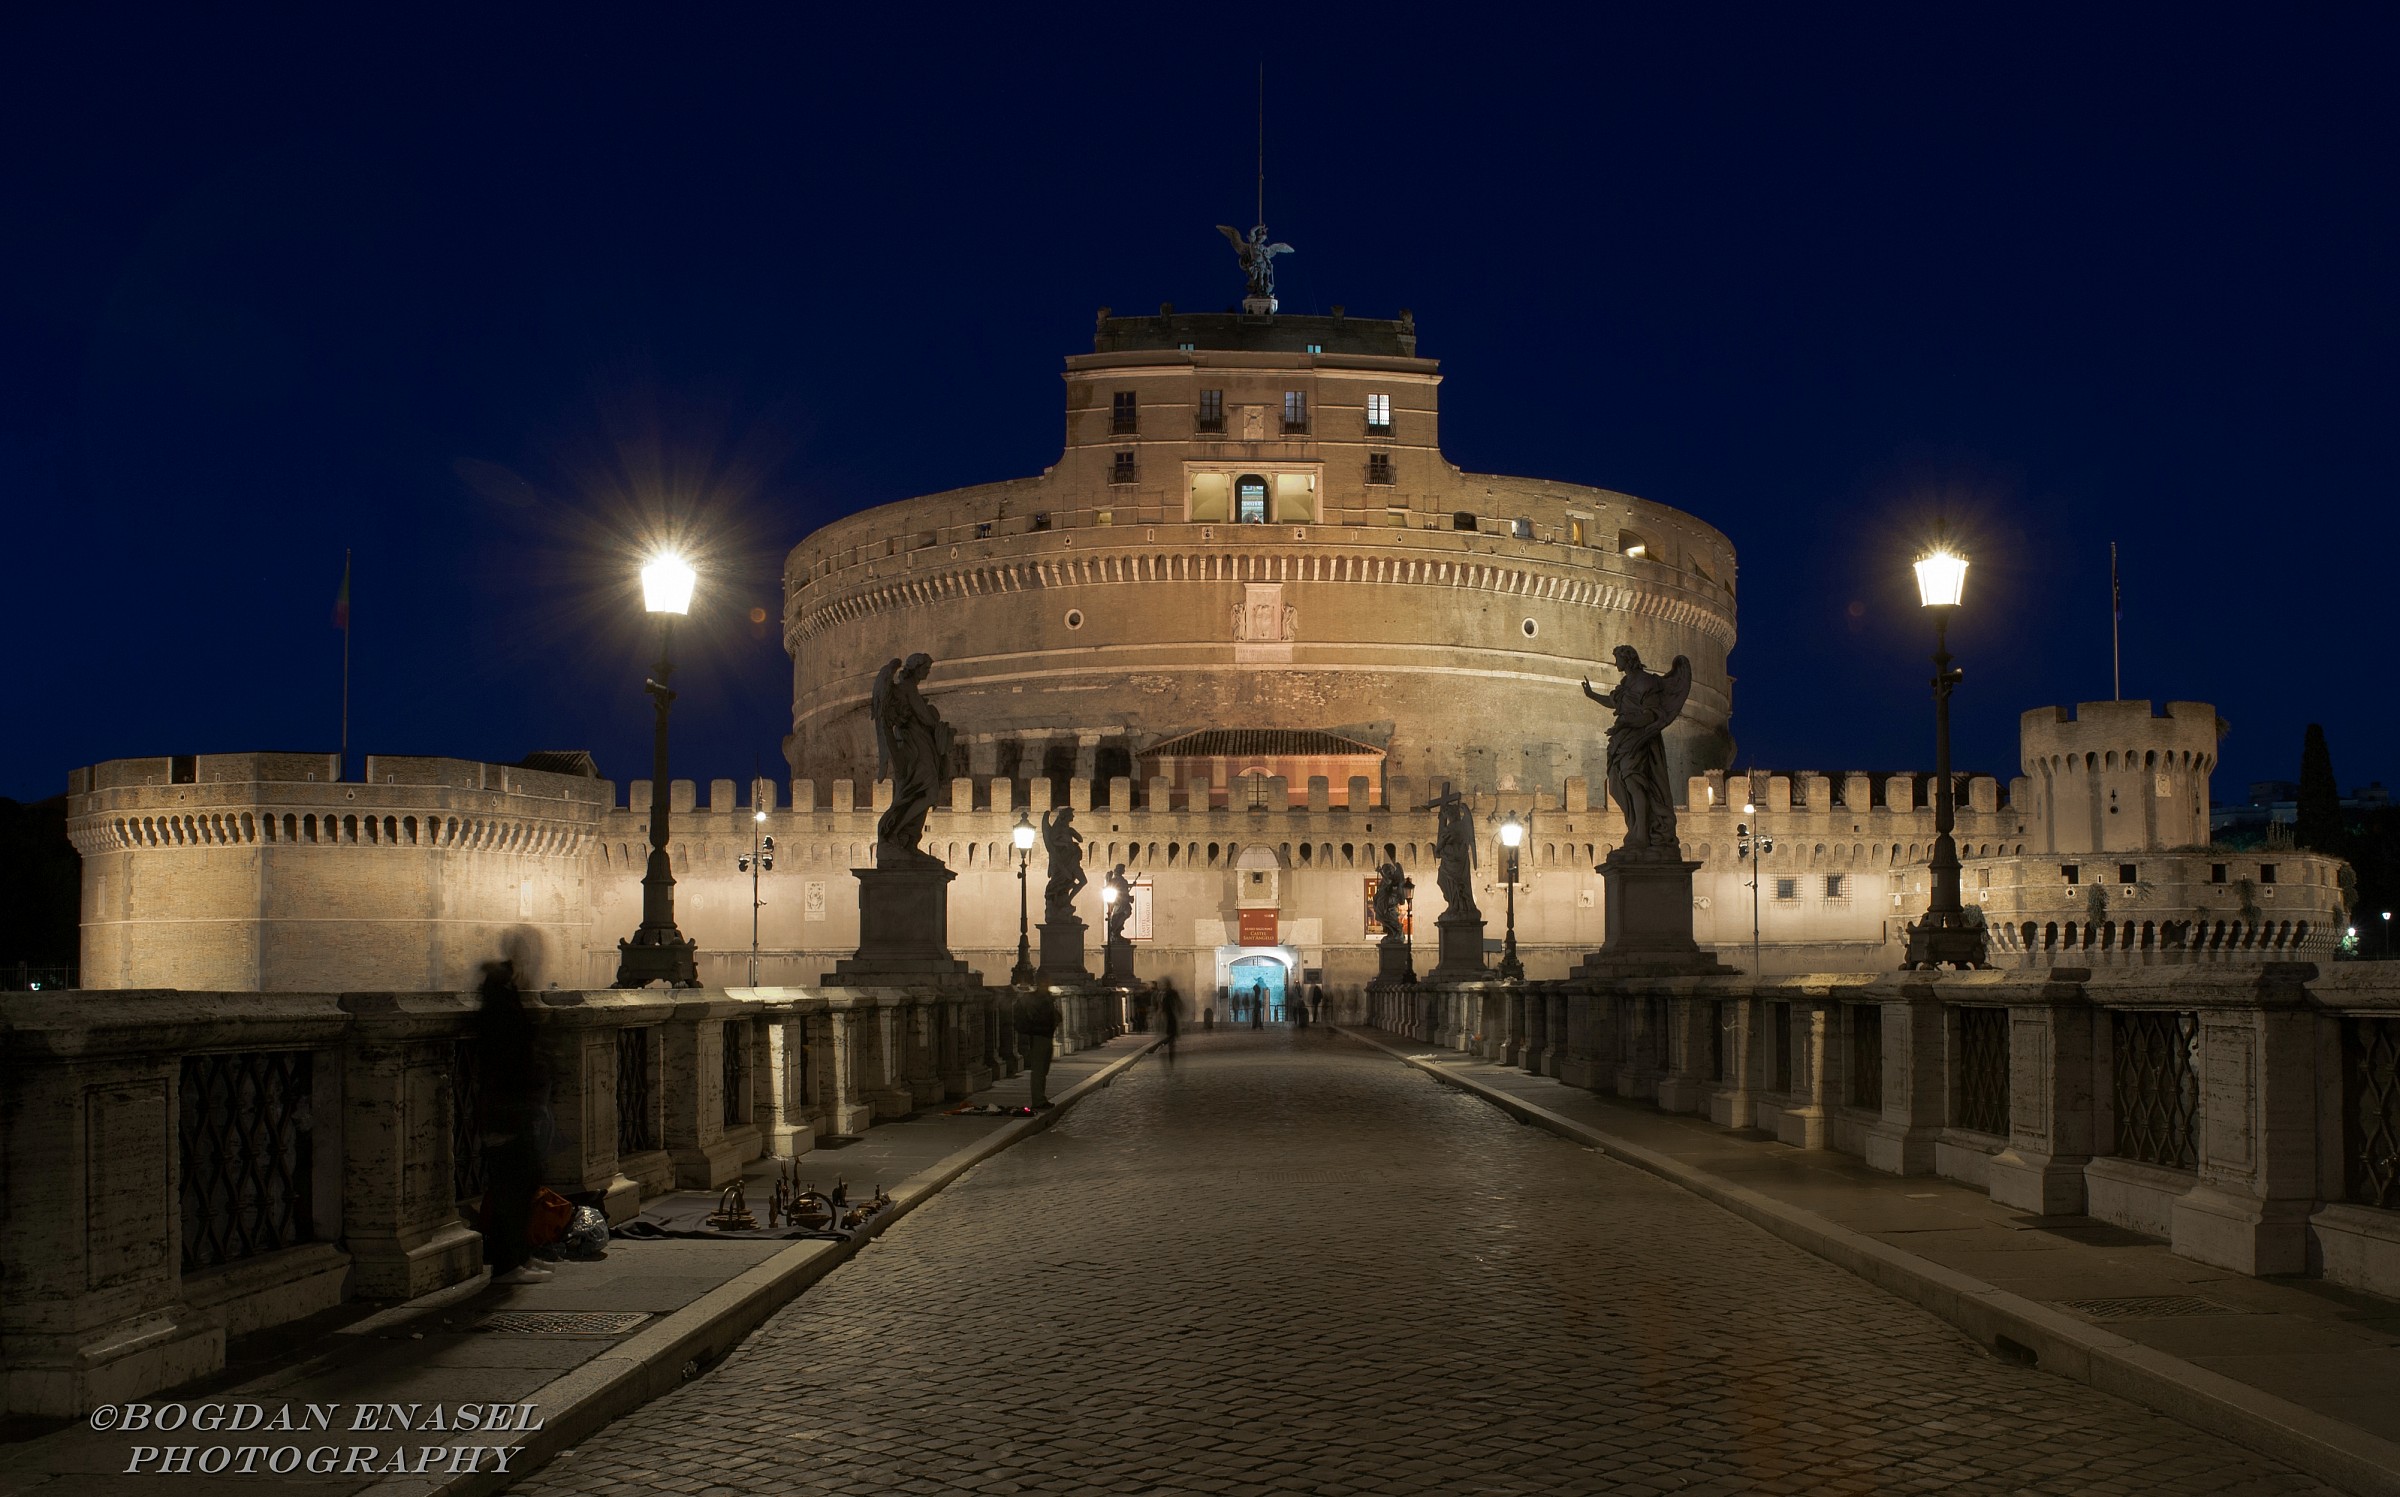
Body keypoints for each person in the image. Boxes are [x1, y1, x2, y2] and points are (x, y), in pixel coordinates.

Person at [475, 958, 551, 1285]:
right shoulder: (501, 1006)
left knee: (525, 1178)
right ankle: (507, 1265)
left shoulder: (503, 999)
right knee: (514, 1183)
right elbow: (509, 1056)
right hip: (506, 1108)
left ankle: (518, 1257)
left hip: (509, 1105)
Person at [1158, 981, 1180, 1063]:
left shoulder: (1166, 994)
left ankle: (1167, 1048)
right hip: (1171, 1017)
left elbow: (1162, 1006)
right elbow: (1178, 1004)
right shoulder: (1171, 993)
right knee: (1171, 1038)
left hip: (1168, 1017)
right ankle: (1171, 1054)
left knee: (1170, 1036)